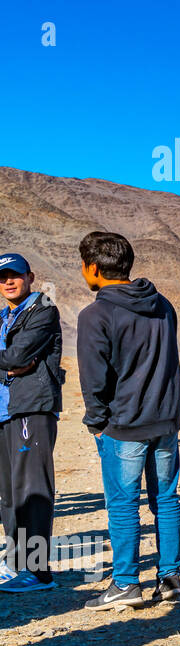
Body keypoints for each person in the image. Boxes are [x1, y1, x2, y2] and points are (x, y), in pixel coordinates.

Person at [77, 232, 180, 610]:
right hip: (165, 422)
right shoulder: (163, 305)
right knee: (166, 500)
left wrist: (98, 424)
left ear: (93, 268)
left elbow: (93, 378)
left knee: (123, 504)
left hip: (124, 426)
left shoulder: (95, 314)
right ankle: (169, 579)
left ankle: (125, 584)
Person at [0, 252, 62, 594]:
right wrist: (8, 366)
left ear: (30, 277)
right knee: (9, 495)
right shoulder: (3, 317)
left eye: (15, 275)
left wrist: (12, 363)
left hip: (31, 409)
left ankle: (38, 572)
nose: (8, 281)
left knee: (33, 491)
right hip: (4, 412)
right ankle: (15, 563)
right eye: (2, 276)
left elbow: (18, 357)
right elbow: (9, 362)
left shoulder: (43, 312)